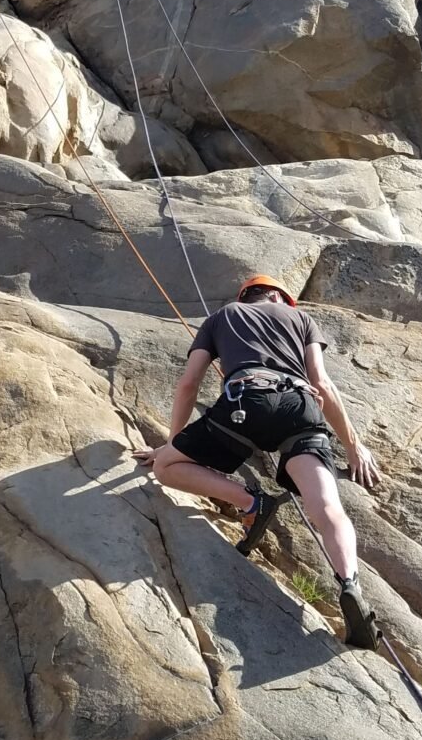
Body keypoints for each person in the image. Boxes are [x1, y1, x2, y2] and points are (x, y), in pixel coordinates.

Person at [135, 277, 381, 648]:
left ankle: (252, 502)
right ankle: (349, 584)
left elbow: (188, 383)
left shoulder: (223, 316)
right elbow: (323, 383)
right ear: (279, 296)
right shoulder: (301, 320)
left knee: (165, 468)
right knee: (328, 507)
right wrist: (353, 446)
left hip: (244, 406)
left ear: (245, 296)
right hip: (301, 409)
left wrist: (172, 444)